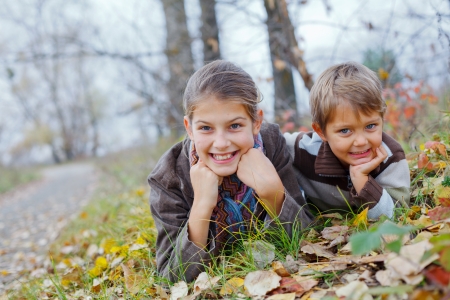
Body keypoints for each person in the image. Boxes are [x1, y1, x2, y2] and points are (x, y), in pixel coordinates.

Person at [148, 60, 313, 283]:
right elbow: (171, 276)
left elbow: (307, 238)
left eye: (234, 126)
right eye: (206, 128)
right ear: (189, 128)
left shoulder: (271, 144)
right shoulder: (168, 177)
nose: (222, 143)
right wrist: (202, 206)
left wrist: (272, 191)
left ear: (256, 122)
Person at [284, 61, 410, 219]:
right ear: (321, 132)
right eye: (345, 130)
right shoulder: (303, 149)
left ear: (382, 120)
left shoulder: (391, 158)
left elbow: (398, 216)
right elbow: (269, 142)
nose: (361, 141)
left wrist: (363, 182)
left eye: (370, 126)